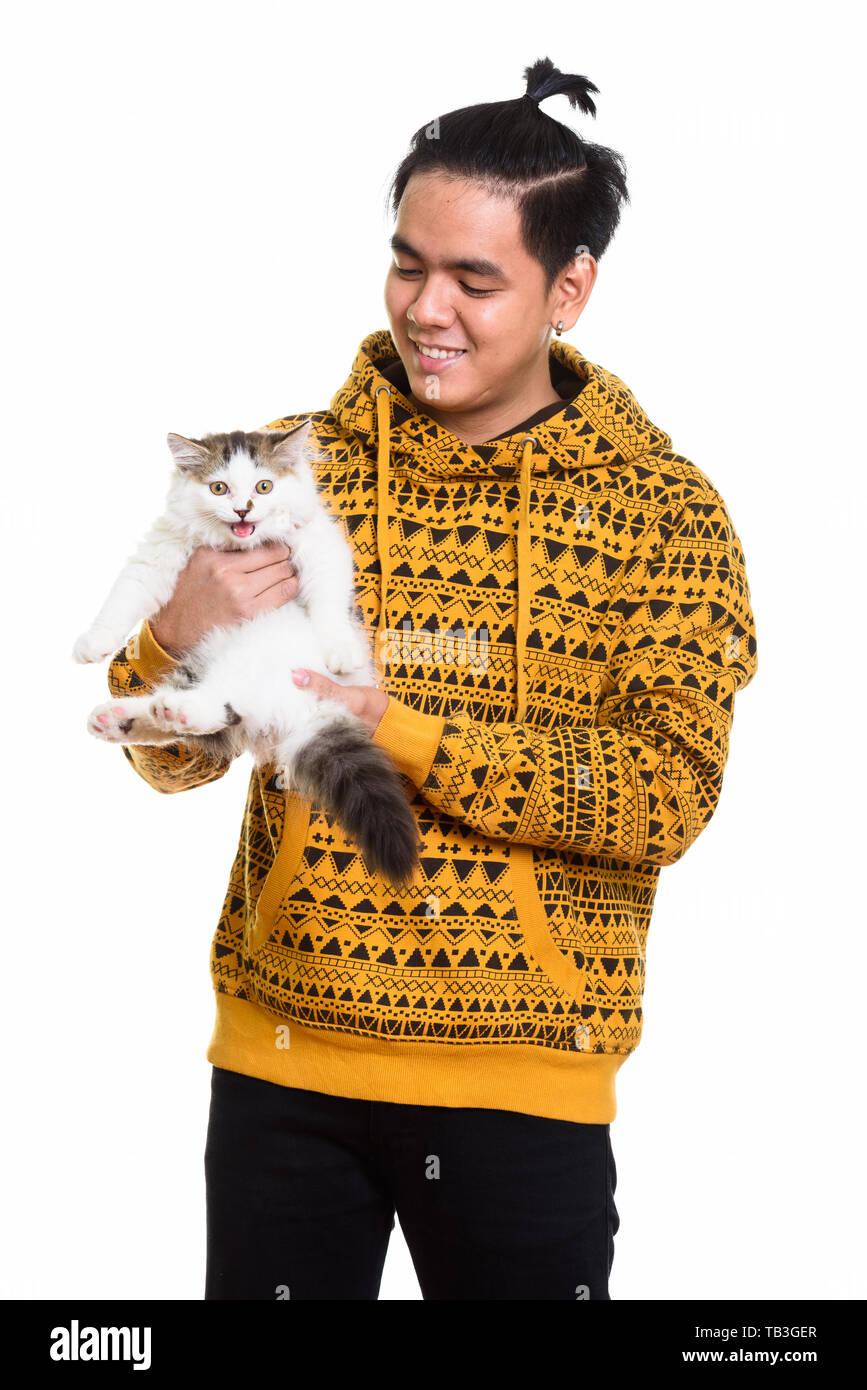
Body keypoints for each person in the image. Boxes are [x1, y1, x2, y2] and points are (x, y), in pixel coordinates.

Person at [107, 57, 758, 1300]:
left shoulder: (665, 515)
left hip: (526, 1088)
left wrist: (397, 731)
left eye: (476, 278)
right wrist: (173, 635)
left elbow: (662, 796)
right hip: (283, 1072)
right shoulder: (287, 476)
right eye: (408, 263)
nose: (427, 309)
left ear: (571, 288)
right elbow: (170, 760)